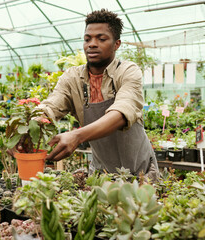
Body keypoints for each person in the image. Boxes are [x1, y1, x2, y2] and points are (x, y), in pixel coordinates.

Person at [38, 9, 159, 180]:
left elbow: (121, 113)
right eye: (87, 39)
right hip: (101, 175)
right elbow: (51, 106)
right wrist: (27, 126)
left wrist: (77, 136)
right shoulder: (73, 78)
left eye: (101, 39)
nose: (92, 44)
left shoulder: (127, 71)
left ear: (117, 44)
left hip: (140, 173)